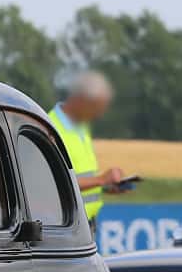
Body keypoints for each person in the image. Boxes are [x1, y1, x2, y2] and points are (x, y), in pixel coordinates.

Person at [50, 71, 129, 223]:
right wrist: (101, 180)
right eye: (96, 108)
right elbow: (52, 182)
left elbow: (83, 177)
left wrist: (107, 186)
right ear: (79, 101)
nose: (99, 115)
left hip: (86, 225)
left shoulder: (81, 127)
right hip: (67, 226)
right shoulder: (52, 128)